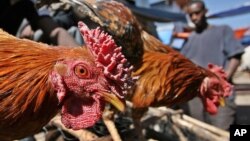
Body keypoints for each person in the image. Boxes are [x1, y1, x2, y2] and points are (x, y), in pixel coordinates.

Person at [180, 0, 245, 130]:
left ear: (205, 12)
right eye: (191, 15)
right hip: (197, 97)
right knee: (201, 132)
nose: (194, 18)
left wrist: (222, 80)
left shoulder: (223, 31)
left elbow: (235, 56)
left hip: (219, 94)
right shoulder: (190, 39)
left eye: (197, 13)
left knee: (223, 130)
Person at [0, 0, 79, 47]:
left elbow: (55, 31)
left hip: (13, 46)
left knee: (73, 32)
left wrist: (79, 58)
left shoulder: (28, 4)